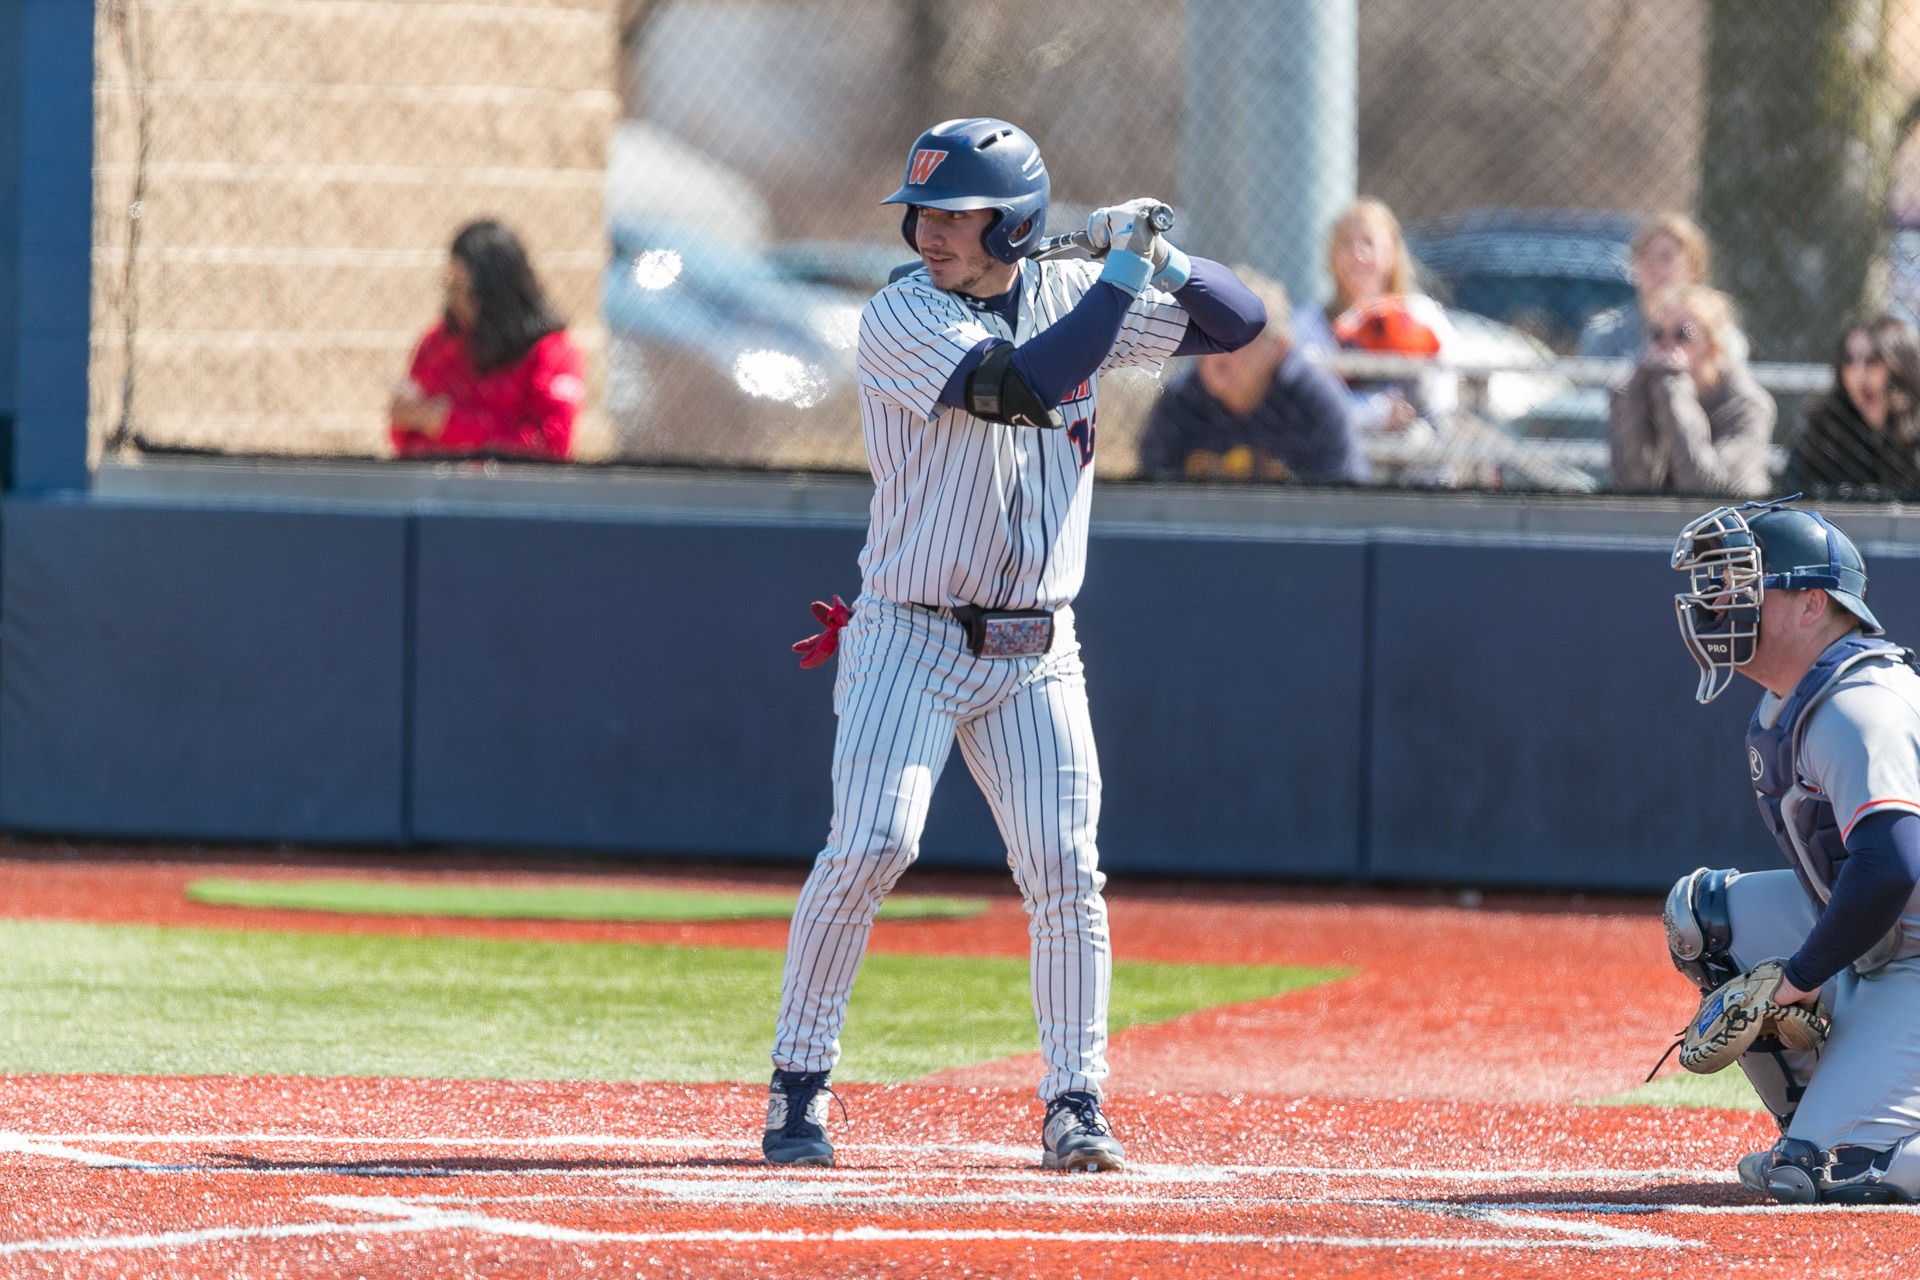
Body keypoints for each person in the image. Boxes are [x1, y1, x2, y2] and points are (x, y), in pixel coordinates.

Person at [763, 118, 1264, 1173]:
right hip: (910, 630)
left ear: (1017, 220)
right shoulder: (903, 312)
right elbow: (1019, 386)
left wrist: (1161, 253)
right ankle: (797, 1083)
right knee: (874, 844)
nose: (930, 230)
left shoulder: (1071, 292)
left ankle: (1075, 1100)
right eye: (925, 211)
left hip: (1038, 648)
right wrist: (1119, 275)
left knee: (1064, 867)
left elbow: (1239, 322)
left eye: (958, 213)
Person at [1665, 498, 1920, 1204]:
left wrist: (1799, 977)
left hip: (1915, 955)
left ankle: (1839, 1137)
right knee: (1702, 917)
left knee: (1832, 1170)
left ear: (1812, 605)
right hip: (1891, 947)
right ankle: (1817, 1117)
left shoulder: (1861, 705)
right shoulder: (1796, 700)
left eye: (1744, 584)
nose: (1718, 603)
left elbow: (1890, 864)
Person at [1137, 272, 1366, 484]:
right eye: (1207, 331)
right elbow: (1154, 495)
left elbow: (1341, 500)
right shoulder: (1181, 401)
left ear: (1278, 348)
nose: (1216, 349)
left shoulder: (1314, 403)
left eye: (1233, 336)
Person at [389, 219, 586, 461]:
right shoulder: (439, 342)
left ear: (497, 295)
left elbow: (552, 446)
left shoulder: (550, 353)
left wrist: (448, 425)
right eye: (450, 288)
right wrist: (407, 416)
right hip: (437, 492)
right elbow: (406, 443)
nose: (455, 301)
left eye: (466, 291)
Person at [1293, 198, 1460, 440]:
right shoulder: (1308, 323)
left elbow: (1444, 395)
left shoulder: (1421, 314)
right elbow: (1308, 402)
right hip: (1339, 449)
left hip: (1414, 454)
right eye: (1346, 244)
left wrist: (1411, 411)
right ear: (1331, 256)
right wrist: (1378, 413)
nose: (1358, 253)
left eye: (1368, 243)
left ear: (1392, 253)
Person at [1607, 283, 1773, 496]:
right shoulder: (1641, 390)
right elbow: (1633, 485)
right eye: (1658, 334)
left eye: (1682, 334)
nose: (1667, 345)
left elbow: (1705, 487)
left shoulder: (1749, 406)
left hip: (1736, 523)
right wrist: (1636, 393)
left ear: (1713, 348)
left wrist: (1675, 392)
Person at [1786, 315, 1920, 502]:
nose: (1858, 373)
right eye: (1849, 360)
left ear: (1900, 366)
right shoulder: (1824, 427)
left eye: (1872, 360)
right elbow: (1792, 492)